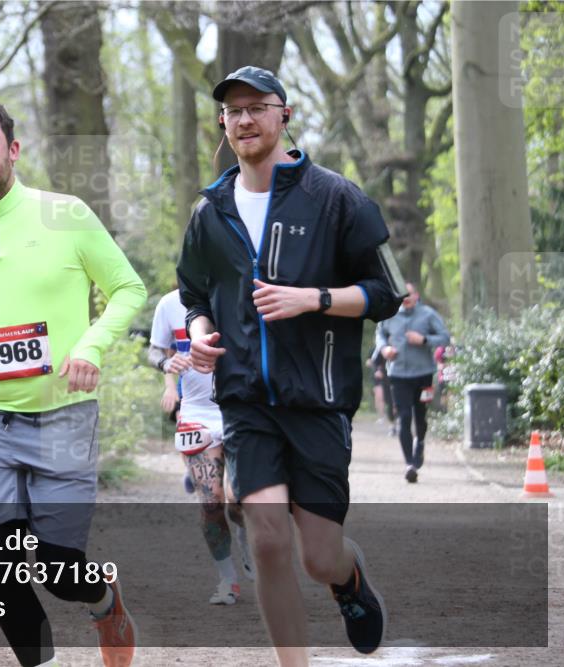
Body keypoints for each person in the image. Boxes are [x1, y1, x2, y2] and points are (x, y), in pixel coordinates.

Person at [176, 66, 406, 665]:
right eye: (234, 111)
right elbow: (194, 295)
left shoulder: (336, 198)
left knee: (318, 556)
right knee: (268, 539)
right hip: (245, 402)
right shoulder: (210, 211)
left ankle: (348, 579)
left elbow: (388, 291)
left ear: (285, 114)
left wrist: (315, 299)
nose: (245, 119)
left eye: (258, 107)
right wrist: (199, 336)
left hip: (318, 400)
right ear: (222, 124)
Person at [0, 95, 146, 667]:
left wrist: (90, 346)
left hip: (63, 414)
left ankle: (104, 601)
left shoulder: (66, 216)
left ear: (12, 150)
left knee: (58, 568)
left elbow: (128, 290)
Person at [149, 289, 255, 606]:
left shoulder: (243, 290)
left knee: (240, 499)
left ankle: (246, 535)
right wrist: (166, 363)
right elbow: (154, 350)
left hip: (242, 407)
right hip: (196, 411)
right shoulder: (169, 303)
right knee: (210, 502)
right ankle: (227, 579)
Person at [375, 283, 451, 483]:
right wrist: (384, 349)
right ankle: (409, 464)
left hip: (424, 375)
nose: (406, 297)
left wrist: (424, 340)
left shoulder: (428, 314)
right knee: (404, 417)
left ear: (417, 295)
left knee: (420, 415)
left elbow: (445, 338)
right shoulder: (389, 314)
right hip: (398, 374)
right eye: (402, 294)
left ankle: (421, 442)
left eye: (409, 294)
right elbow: (380, 335)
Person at [367, 346, 396, 433]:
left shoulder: (399, 345)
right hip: (384, 377)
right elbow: (372, 361)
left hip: (398, 376)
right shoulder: (377, 349)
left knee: (395, 400)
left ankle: (397, 421)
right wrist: (377, 370)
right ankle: (389, 422)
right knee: (386, 399)